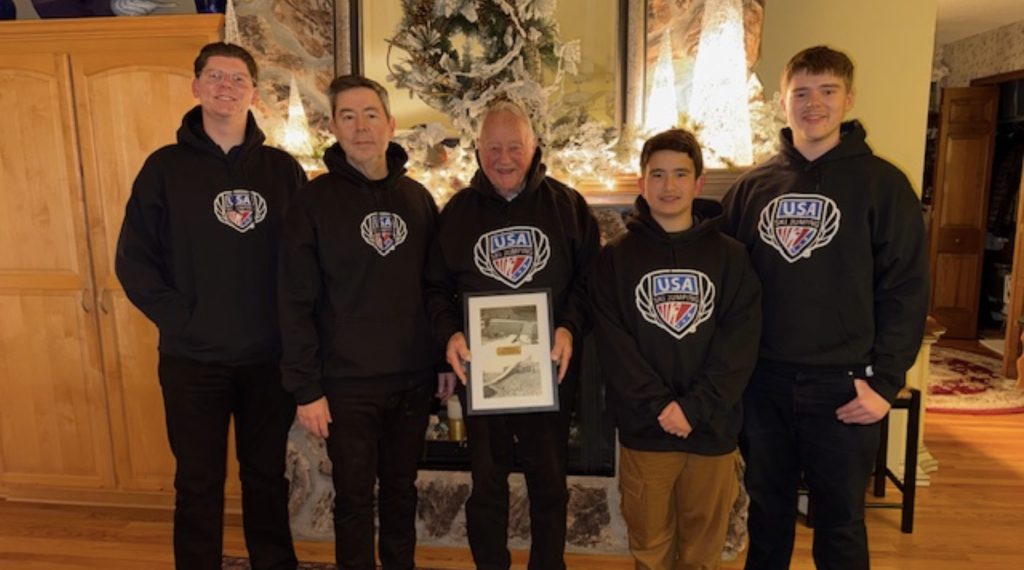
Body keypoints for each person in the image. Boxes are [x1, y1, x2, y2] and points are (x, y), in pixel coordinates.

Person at [721, 45, 929, 569]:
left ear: (848, 98)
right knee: (766, 517)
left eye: (828, 91)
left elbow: (905, 289)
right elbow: (726, 290)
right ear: (783, 103)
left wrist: (885, 383)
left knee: (840, 525)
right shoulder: (750, 189)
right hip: (764, 383)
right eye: (801, 93)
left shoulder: (885, 185)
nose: (814, 104)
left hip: (846, 387)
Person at [115, 42, 305, 570]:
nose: (226, 86)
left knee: (266, 476)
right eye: (215, 76)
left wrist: (295, 332)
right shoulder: (164, 168)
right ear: (196, 86)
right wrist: (184, 321)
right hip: (192, 360)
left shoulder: (283, 171)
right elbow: (134, 260)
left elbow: (305, 262)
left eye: (238, 78)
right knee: (198, 481)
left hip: (268, 358)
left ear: (254, 93)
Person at [278, 75, 445, 570]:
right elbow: (294, 299)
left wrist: (440, 361)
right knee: (353, 499)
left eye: (370, 115)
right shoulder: (311, 202)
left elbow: (435, 289)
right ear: (333, 127)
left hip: (412, 379)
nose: (360, 127)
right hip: (346, 383)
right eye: (347, 117)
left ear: (390, 124)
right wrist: (306, 388)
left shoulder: (418, 199)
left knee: (401, 490)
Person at [425, 100, 600, 570]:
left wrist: (568, 328)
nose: (504, 159)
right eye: (494, 148)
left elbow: (590, 281)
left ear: (534, 145)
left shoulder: (568, 206)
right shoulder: (457, 212)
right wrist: (450, 335)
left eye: (514, 147)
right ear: (478, 149)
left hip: (549, 369)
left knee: (550, 482)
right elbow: (435, 288)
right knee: (486, 483)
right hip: (482, 373)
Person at [591, 128, 761, 570]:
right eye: (658, 174)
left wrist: (695, 408)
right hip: (646, 431)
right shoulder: (614, 259)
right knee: (650, 548)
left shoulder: (732, 257)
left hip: (712, 430)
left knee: (703, 551)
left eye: (681, 174)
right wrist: (659, 407)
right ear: (641, 182)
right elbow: (615, 346)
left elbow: (739, 343)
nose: (669, 186)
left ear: (699, 183)